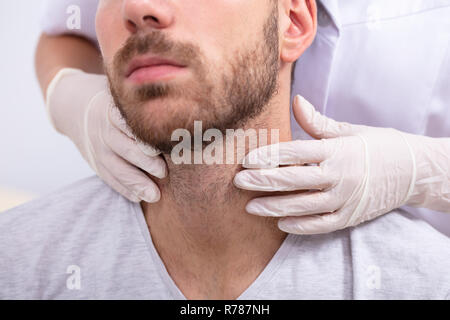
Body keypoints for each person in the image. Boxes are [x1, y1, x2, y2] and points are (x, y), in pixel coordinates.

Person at [2, 0, 449, 300]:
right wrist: (66, 93)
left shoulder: (425, 279)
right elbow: (68, 28)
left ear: (293, 22)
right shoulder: (21, 262)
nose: (139, 9)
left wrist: (427, 170)